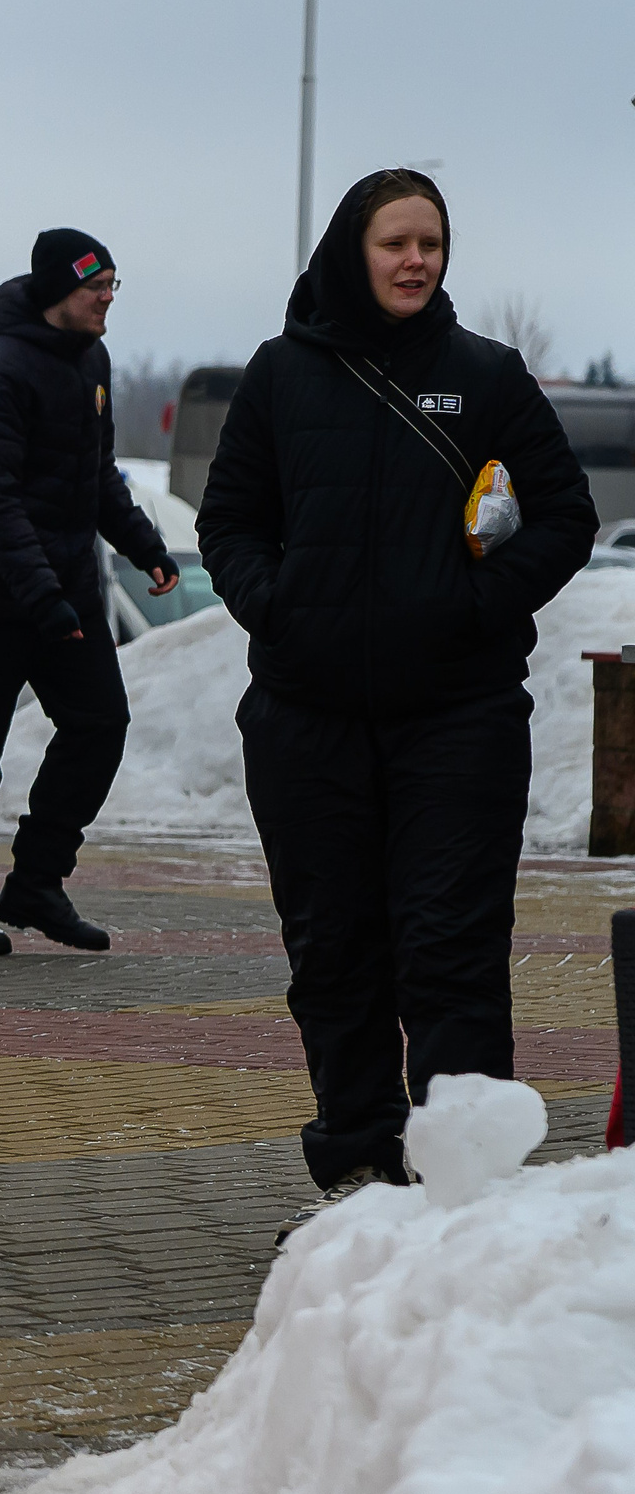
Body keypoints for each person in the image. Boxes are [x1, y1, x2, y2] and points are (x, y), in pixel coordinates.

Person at [197, 169, 595, 1232]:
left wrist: (474, 605)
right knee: (333, 948)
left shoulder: (486, 376)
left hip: (456, 717)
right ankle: (359, 1180)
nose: (415, 260)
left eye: (430, 243)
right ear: (350, 251)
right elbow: (226, 521)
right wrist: (277, 607)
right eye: (394, 243)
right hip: (304, 717)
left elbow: (564, 516)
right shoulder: (282, 376)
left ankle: (464, 1195)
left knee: (449, 945)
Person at [0, 228, 179, 955]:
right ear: (59, 290)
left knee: (100, 723)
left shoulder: (91, 360)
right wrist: (41, 594)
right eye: (97, 287)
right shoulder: (1, 371)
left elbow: (99, 477)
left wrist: (145, 548)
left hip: (60, 585)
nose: (107, 300)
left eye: (112, 287)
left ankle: (36, 881)